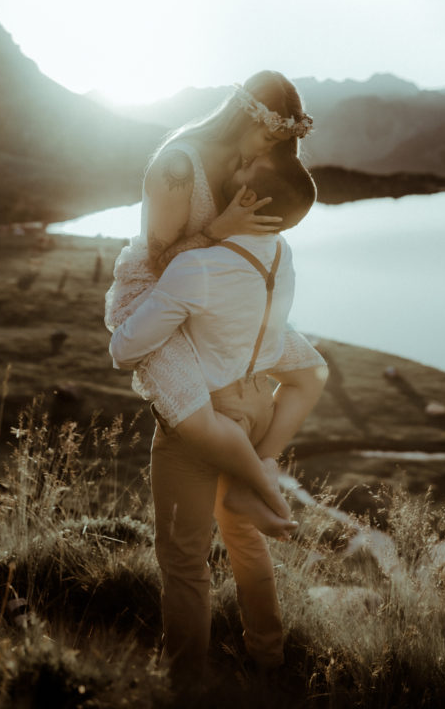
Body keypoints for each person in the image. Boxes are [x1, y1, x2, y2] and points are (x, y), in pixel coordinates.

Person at [110, 151, 328, 684]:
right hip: (258, 405)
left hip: (205, 415)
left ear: (249, 198)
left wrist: (180, 268)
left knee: (184, 563)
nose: (232, 168)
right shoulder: (282, 254)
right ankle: (269, 658)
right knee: (245, 541)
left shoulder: (197, 267)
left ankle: (184, 682)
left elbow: (127, 346)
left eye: (244, 170)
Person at [105, 71, 328, 529]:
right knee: (194, 412)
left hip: (207, 294)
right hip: (159, 293)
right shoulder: (180, 165)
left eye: (278, 146)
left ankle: (259, 468)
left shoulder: (248, 161)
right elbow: (160, 262)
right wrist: (221, 230)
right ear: (241, 117)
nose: (268, 152)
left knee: (312, 370)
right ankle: (265, 490)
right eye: (267, 137)